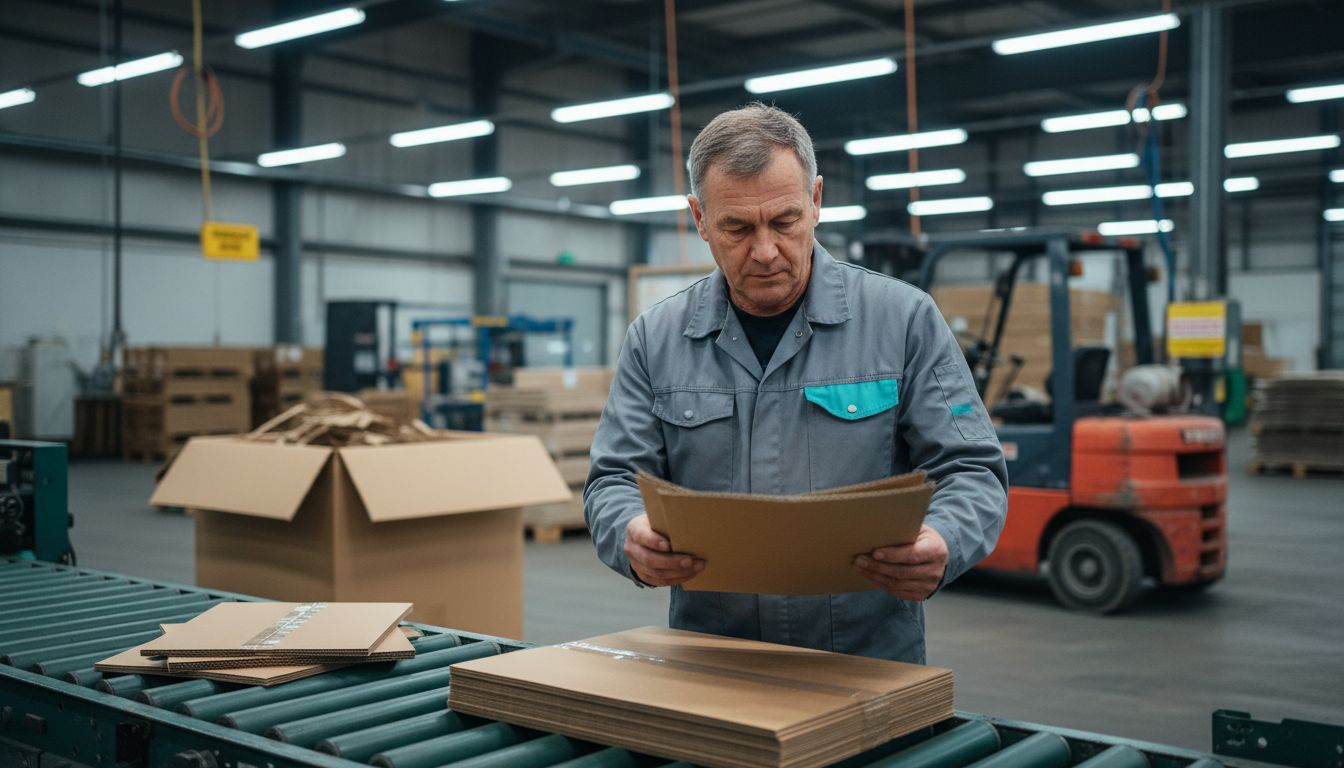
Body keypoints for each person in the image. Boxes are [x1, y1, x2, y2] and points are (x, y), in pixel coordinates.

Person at [584, 103, 1008, 663]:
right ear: (700, 219)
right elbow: (611, 480)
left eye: (783, 221)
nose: (764, 252)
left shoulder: (902, 321)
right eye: (737, 227)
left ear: (815, 201)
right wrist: (630, 535)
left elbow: (973, 469)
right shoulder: (656, 339)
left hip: (866, 659)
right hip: (711, 659)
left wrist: (943, 540)